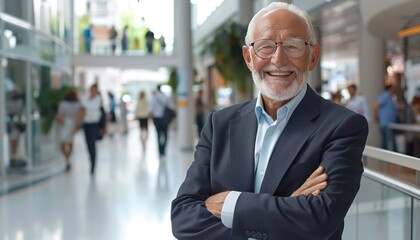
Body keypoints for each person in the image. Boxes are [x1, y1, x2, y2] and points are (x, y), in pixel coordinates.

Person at [171, 2, 369, 240]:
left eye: (292, 46)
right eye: (265, 47)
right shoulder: (219, 124)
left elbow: (319, 219)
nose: (278, 59)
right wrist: (286, 208)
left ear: (313, 56)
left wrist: (231, 204)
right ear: (248, 57)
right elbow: (183, 217)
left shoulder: (343, 126)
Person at [76, 83, 106, 174]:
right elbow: (82, 109)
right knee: (88, 144)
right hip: (86, 124)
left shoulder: (98, 99)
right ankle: (90, 159)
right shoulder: (85, 98)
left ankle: (93, 164)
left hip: (94, 124)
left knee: (92, 144)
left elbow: (91, 107)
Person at [56, 90, 81, 171]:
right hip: (71, 124)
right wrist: (76, 125)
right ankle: (67, 159)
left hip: (66, 123)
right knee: (69, 143)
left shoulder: (64, 104)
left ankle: (67, 160)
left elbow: (60, 115)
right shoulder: (77, 104)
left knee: (65, 143)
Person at [150, 85, 175, 156]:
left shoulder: (154, 97)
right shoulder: (166, 97)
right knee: (165, 134)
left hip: (156, 118)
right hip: (165, 118)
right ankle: (163, 150)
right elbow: (172, 107)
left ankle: (159, 150)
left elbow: (151, 110)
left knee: (158, 135)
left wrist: (151, 120)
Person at [374, 84, 398, 151]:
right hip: (386, 124)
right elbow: (376, 105)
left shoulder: (390, 97)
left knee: (386, 142)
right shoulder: (386, 95)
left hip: (388, 124)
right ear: (390, 89)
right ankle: (392, 159)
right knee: (389, 143)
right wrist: (376, 116)